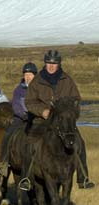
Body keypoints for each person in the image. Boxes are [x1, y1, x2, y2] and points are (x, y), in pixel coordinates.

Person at [23, 50, 95, 189]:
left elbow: (76, 100)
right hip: (42, 119)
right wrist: (42, 111)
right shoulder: (37, 80)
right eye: (48, 63)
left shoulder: (67, 80)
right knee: (30, 143)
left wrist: (68, 113)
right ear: (45, 63)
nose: (51, 66)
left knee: (79, 142)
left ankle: (83, 178)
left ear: (59, 64)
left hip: (63, 122)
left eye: (54, 63)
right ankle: (26, 178)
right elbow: (29, 101)